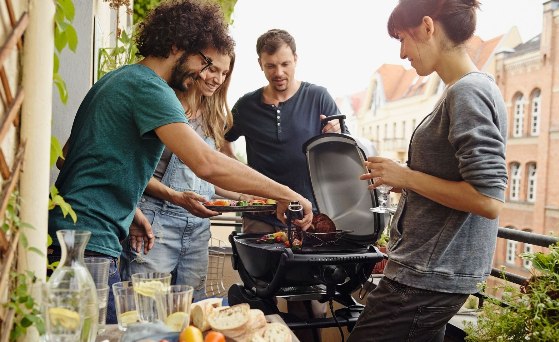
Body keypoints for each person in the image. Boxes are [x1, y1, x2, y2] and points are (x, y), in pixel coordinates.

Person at [48, 0, 313, 324]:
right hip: (88, 244)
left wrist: (130, 210)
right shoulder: (150, 88)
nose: (203, 73)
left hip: (74, 235)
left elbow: (73, 157)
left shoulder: (118, 80)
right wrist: (286, 194)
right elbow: (206, 163)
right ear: (176, 46)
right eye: (202, 61)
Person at [347, 1, 508, 341]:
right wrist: (407, 183)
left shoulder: (468, 91)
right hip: (429, 273)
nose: (403, 53)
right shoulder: (464, 89)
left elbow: (487, 199)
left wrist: (406, 177)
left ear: (427, 27)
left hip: (426, 278)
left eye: (402, 39)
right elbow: (458, 181)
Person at [221, 29, 342, 342]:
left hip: (308, 219)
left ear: (296, 60)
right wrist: (239, 178)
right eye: (271, 65)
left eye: (285, 64)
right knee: (261, 297)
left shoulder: (319, 96)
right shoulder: (246, 106)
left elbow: (341, 152)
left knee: (311, 304)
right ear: (260, 64)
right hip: (259, 218)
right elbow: (220, 140)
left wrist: (336, 133)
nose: (279, 72)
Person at [120, 46, 247, 301]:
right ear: (195, 63)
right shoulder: (162, 103)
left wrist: (251, 197)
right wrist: (175, 197)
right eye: (212, 69)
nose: (217, 79)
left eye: (224, 73)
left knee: (192, 312)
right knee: (146, 310)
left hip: (198, 229)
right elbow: (131, 169)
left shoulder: (214, 115)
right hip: (155, 223)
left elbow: (212, 174)